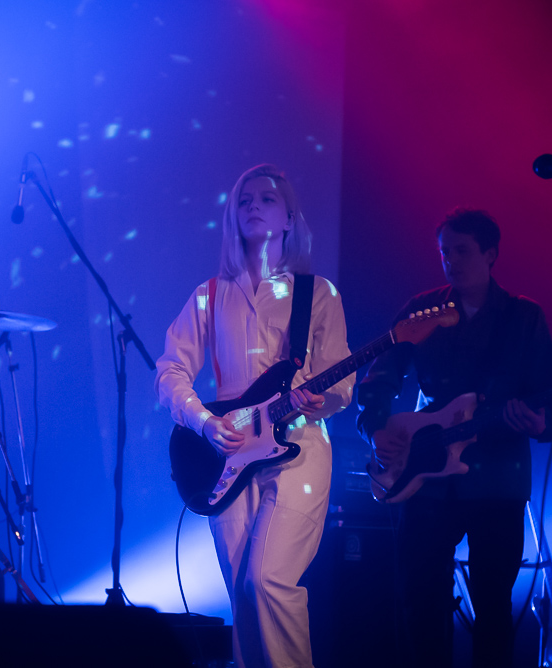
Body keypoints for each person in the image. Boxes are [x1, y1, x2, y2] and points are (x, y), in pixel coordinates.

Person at [156, 164, 355, 667]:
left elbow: (342, 381)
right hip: (229, 452)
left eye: (266, 198)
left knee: (268, 580)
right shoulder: (210, 295)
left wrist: (321, 399)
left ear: (289, 217)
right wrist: (203, 420)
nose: (251, 205)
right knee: (243, 597)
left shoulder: (319, 293)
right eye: (244, 199)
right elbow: (171, 369)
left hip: (300, 449)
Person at [357, 208, 552, 668]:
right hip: (425, 473)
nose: (451, 260)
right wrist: (377, 427)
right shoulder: (422, 310)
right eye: (444, 252)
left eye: (462, 250)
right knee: (419, 595)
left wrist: (538, 422)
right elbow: (379, 377)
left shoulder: (524, 317)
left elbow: (550, 394)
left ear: (490, 254)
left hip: (497, 480)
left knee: (493, 604)